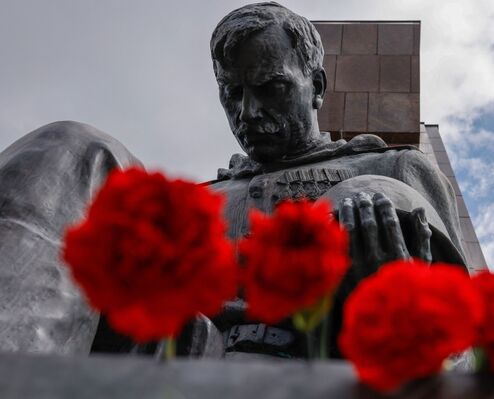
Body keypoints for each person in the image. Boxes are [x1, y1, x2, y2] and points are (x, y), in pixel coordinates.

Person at [0, 2, 466, 357]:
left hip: (323, 358)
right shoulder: (201, 201)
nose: (248, 113)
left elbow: (461, 342)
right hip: (182, 354)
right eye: (233, 94)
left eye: (271, 88)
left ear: (316, 87)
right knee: (73, 147)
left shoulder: (387, 166)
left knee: (367, 197)